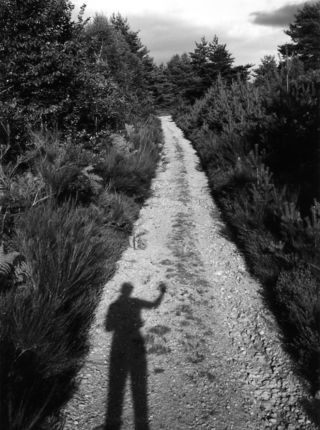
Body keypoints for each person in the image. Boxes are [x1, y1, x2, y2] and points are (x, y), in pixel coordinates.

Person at [105, 282, 166, 430]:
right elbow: (153, 305)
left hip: (119, 343)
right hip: (136, 342)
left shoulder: (113, 306)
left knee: (116, 388)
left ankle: (113, 422)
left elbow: (108, 328)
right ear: (130, 292)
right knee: (138, 384)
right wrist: (162, 293)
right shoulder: (136, 302)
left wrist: (121, 321)